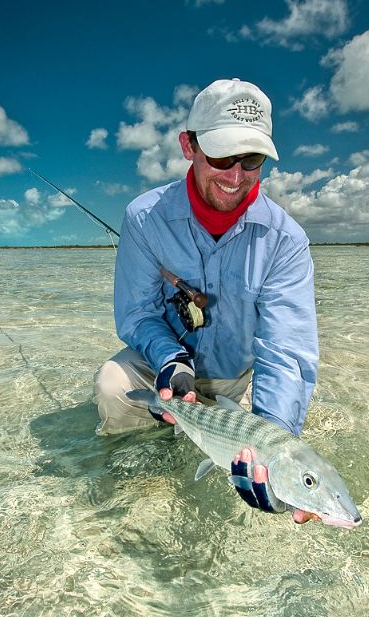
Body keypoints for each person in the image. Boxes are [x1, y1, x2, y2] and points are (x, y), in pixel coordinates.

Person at [94, 78, 319, 521]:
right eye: (220, 156)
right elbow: (138, 313)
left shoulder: (286, 240)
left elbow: (286, 350)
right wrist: (170, 360)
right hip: (166, 366)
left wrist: (274, 449)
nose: (235, 176)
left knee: (276, 430)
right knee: (111, 386)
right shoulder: (145, 218)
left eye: (251, 159)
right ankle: (142, 485)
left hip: (236, 374)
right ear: (189, 145)